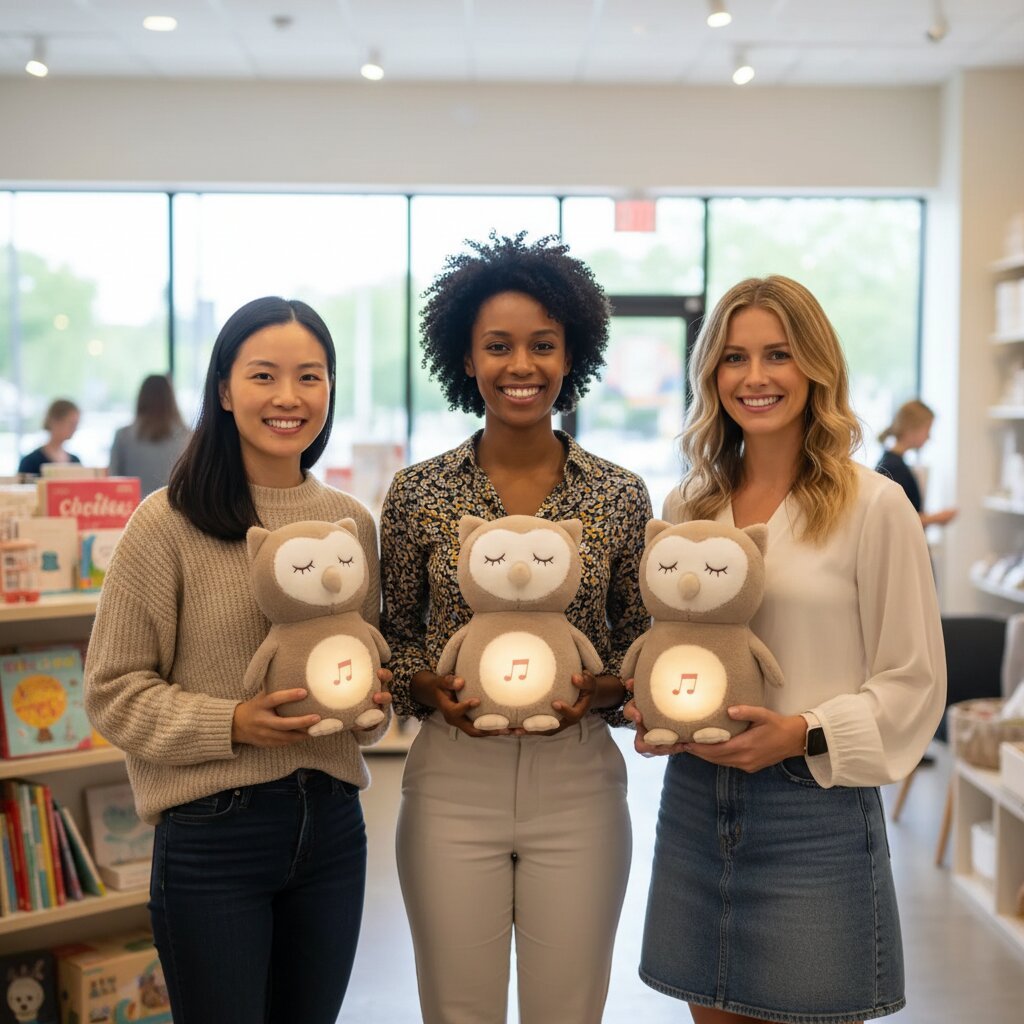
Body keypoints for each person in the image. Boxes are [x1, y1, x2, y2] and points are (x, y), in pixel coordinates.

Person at [626, 275, 946, 1024]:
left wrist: (800, 731)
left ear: (817, 369)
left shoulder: (875, 507)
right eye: (735, 358)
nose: (756, 377)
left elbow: (914, 680)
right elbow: (673, 644)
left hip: (817, 814)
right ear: (713, 375)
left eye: (779, 354)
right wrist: (652, 700)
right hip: (697, 802)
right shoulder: (690, 506)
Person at [84, 296, 391, 1024]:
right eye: (263, 376)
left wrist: (373, 704)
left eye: (310, 377)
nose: (288, 397)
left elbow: (364, 674)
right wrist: (235, 724)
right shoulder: (167, 522)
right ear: (224, 390)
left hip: (333, 826)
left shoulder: (350, 523)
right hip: (214, 832)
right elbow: (112, 691)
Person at [380, 232, 651, 1024]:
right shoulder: (419, 493)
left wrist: (609, 689)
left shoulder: (620, 494)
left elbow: (642, 640)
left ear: (573, 355)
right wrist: (420, 685)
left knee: (568, 1010)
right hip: (451, 783)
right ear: (466, 358)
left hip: (580, 786)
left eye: (542, 345)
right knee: (456, 1009)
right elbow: (391, 636)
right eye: (497, 346)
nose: (520, 366)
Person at [876, 398, 957, 528]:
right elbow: (898, 521)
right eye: (927, 430)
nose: (929, 437)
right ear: (912, 429)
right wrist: (936, 518)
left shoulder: (893, 463)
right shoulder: (894, 468)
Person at [108, 373, 191, 496]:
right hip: (173, 510)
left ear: (141, 398)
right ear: (171, 399)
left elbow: (114, 481)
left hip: (133, 510)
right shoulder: (188, 437)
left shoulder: (123, 436)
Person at [17, 398, 81, 475]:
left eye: (76, 424)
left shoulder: (75, 462)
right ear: (55, 422)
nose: (74, 429)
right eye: (71, 424)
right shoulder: (31, 461)